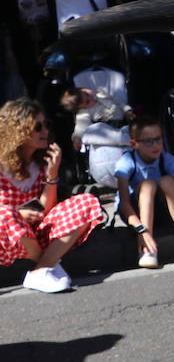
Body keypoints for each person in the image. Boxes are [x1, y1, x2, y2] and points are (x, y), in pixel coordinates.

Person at [0, 98, 104, 293]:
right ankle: (48, 264)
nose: (45, 132)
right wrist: (18, 215)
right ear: (17, 130)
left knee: (86, 202)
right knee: (3, 214)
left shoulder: (40, 163)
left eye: (46, 125)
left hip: (35, 233)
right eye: (37, 127)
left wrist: (52, 175)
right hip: (7, 241)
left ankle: (40, 271)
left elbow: (46, 211)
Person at [115, 115, 174, 268]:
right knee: (147, 184)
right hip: (135, 216)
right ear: (134, 144)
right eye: (148, 141)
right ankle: (147, 249)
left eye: (158, 139)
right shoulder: (127, 162)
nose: (155, 145)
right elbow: (124, 204)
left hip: (163, 211)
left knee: (167, 181)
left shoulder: (167, 159)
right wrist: (141, 230)